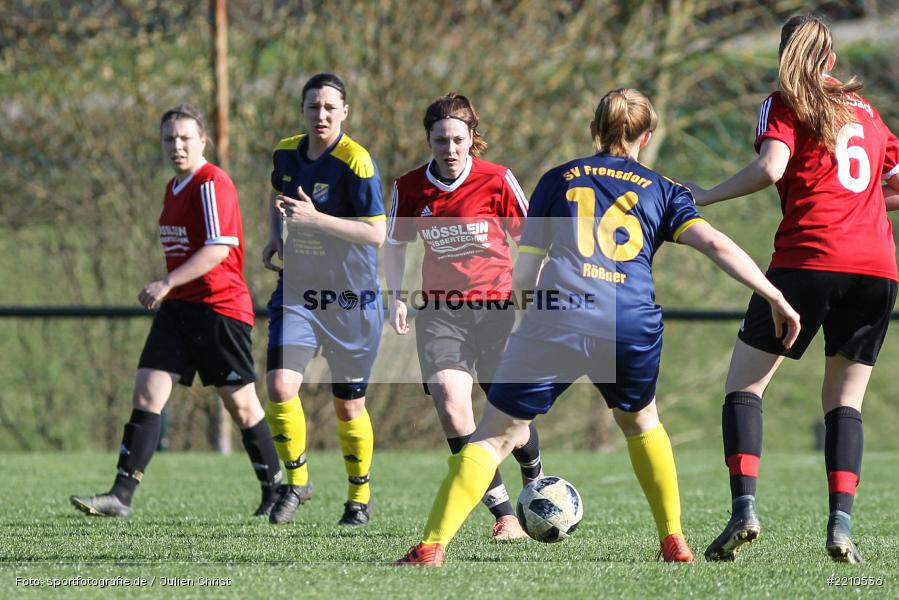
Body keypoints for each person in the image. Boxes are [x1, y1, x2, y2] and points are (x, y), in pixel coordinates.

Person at [395, 88, 801, 567]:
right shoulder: (662, 188)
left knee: (493, 436)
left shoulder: (558, 179)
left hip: (560, 315)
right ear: (646, 137)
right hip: (627, 322)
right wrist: (774, 294)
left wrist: (528, 320)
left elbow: (524, 274)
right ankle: (674, 540)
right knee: (642, 422)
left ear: (594, 130)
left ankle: (431, 547)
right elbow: (713, 242)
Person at [688, 15, 899, 564]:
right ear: (831, 59)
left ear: (785, 55)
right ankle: (841, 526)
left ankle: (744, 511)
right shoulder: (869, 111)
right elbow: (887, 184)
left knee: (744, 389)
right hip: (878, 269)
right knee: (845, 401)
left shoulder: (786, 100)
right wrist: (864, 206)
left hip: (808, 261)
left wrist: (706, 196)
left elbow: (771, 166)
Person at [70, 104, 282, 518]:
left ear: (203, 140)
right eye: (169, 138)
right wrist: (172, 290)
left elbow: (220, 249)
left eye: (185, 137)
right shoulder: (174, 188)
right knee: (147, 392)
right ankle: (121, 495)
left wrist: (166, 282)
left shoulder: (212, 183)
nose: (177, 145)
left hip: (219, 309)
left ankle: (277, 487)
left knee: (240, 406)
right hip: (180, 310)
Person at [384, 93, 544, 541]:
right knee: (450, 401)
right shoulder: (410, 187)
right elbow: (395, 244)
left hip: (495, 311)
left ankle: (535, 481)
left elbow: (531, 241)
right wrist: (396, 296)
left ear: (472, 138)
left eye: (458, 139)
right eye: (440, 140)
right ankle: (503, 514)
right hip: (439, 312)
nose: (449, 149)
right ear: (428, 141)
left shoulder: (497, 180)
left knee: (510, 414)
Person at [261, 73, 385, 526]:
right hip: (298, 293)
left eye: (330, 107)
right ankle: (296, 483)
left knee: (348, 405)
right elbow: (277, 196)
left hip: (351, 300)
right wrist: (275, 237)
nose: (322, 115)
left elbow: (376, 233)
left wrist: (316, 219)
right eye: (314, 107)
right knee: (279, 386)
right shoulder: (285, 151)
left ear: (345, 112)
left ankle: (360, 496)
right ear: (303, 110)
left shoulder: (357, 162)